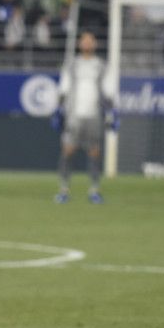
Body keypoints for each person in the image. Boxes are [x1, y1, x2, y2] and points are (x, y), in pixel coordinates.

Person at [54, 31, 117, 204]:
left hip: (94, 115)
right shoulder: (71, 65)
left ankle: (94, 190)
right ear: (80, 44)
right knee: (67, 150)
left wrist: (112, 113)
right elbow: (64, 88)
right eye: (85, 40)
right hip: (74, 115)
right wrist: (59, 109)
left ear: (95, 44)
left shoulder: (102, 65)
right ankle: (64, 189)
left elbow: (108, 91)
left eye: (91, 40)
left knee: (95, 152)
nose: (87, 43)